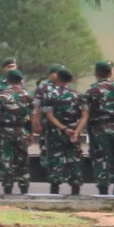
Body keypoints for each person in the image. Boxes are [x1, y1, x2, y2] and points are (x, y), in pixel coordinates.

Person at [38, 67, 88, 195]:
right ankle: (75, 191)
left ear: (58, 78)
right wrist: (77, 131)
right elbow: (85, 116)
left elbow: (49, 116)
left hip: (55, 133)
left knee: (55, 161)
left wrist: (64, 129)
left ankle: (54, 193)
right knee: (74, 161)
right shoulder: (79, 95)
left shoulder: (50, 95)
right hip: (74, 133)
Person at [0, 61, 36, 196]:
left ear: (8, 80)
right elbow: (33, 117)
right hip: (22, 131)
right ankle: (24, 186)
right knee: (22, 158)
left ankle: (8, 186)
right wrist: (32, 134)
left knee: (7, 158)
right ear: (21, 80)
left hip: (5, 131)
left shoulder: (2, 96)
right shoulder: (28, 96)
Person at [85, 60, 114, 197]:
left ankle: (103, 190)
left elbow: (87, 112)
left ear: (97, 73)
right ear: (110, 72)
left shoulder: (92, 90)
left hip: (99, 128)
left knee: (101, 158)